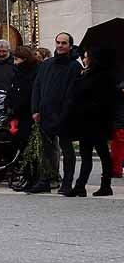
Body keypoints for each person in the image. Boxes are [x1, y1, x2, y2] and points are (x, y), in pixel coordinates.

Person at [29, 32, 82, 194]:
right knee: (45, 150)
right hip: (45, 113)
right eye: (58, 42)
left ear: (70, 46)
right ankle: (44, 180)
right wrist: (35, 110)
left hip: (65, 115)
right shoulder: (46, 64)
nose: (60, 45)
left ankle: (67, 183)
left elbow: (73, 93)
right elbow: (37, 87)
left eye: (64, 43)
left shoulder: (75, 66)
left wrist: (66, 113)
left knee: (66, 150)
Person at [64, 47, 117, 197]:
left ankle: (105, 185)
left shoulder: (104, 76)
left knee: (103, 154)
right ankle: (80, 185)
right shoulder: (86, 74)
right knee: (85, 154)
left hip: (97, 122)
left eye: (87, 57)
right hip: (85, 122)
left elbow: (103, 101)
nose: (84, 59)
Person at [5, 46, 39, 187]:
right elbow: (12, 91)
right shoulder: (17, 73)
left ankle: (31, 177)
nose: (14, 62)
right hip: (18, 115)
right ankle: (25, 175)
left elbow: (27, 94)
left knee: (28, 147)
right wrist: (8, 103)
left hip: (27, 114)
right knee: (21, 146)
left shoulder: (31, 74)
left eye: (17, 59)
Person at [112, 78, 124, 179]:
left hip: (120, 120)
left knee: (118, 146)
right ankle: (116, 169)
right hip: (119, 119)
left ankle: (117, 170)